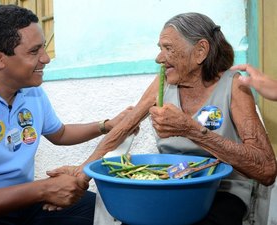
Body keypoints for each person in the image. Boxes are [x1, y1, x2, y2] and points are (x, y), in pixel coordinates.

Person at [75, 12, 277, 225]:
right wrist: (82, 172)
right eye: (160, 48)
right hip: (171, 185)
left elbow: (266, 169)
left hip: (223, 190)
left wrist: (191, 130)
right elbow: (124, 128)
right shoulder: (163, 83)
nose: (159, 58)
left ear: (200, 51)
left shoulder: (234, 86)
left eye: (168, 48)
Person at [0, 4, 132, 224]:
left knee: (109, 213)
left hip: (26, 202)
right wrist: (42, 189)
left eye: (44, 48)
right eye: (34, 51)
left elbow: (59, 133)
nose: (46, 59)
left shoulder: (31, 91)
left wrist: (106, 125)